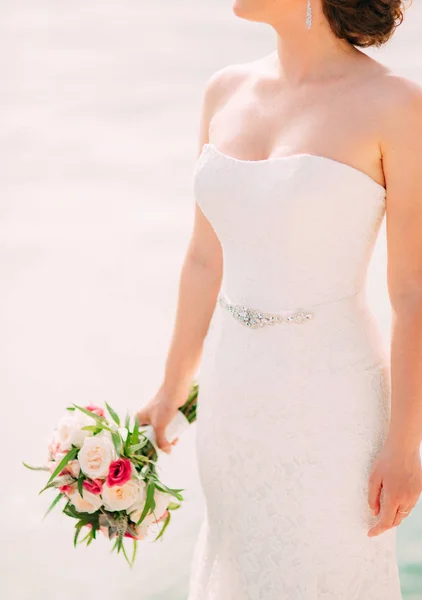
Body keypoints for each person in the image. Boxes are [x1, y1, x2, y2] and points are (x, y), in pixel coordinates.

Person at [137, 0, 422, 597]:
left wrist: (404, 444)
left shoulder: (397, 105)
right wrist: (171, 388)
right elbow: (203, 259)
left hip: (333, 409)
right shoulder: (223, 91)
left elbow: (411, 293)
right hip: (233, 398)